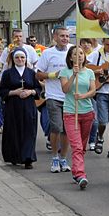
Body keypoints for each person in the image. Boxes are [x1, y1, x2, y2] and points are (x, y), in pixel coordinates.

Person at [59, 46, 97, 189]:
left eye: (81, 53)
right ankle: (81, 175)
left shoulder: (89, 72)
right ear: (70, 58)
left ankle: (76, 171)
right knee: (77, 146)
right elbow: (65, 89)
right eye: (75, 54)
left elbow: (93, 90)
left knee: (82, 146)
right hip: (70, 112)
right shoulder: (65, 72)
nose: (79, 56)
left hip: (87, 112)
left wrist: (83, 96)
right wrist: (73, 75)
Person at [36, 27, 72, 173]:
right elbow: (38, 75)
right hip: (54, 96)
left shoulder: (73, 51)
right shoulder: (48, 53)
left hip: (69, 97)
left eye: (67, 36)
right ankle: (54, 158)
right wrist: (53, 75)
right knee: (56, 127)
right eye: (62, 36)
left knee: (67, 130)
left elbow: (83, 68)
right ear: (55, 37)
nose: (65, 39)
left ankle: (63, 158)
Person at [0, 48, 40, 169]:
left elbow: (38, 89)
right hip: (13, 106)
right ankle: (15, 156)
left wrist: (31, 92)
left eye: (22, 57)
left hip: (28, 106)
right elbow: (2, 90)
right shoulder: (7, 73)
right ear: (13, 59)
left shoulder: (31, 73)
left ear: (26, 59)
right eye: (17, 57)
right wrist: (14, 92)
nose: (20, 60)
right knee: (14, 131)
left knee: (29, 131)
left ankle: (28, 158)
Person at [86, 37, 109, 158]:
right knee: (103, 121)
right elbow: (86, 65)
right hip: (102, 92)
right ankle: (100, 136)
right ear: (103, 43)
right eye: (107, 44)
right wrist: (97, 71)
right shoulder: (96, 54)